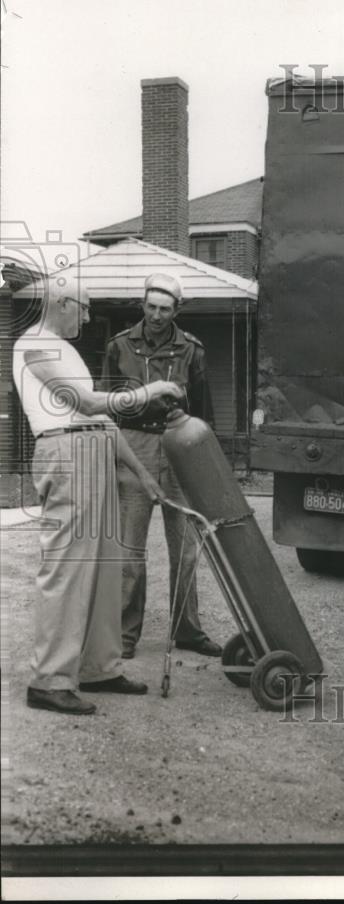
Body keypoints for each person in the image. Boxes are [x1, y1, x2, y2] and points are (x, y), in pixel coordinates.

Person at [13, 277, 183, 715]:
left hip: (94, 448)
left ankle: (97, 666)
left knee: (107, 564)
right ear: (61, 302)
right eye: (84, 308)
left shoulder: (66, 348)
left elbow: (102, 422)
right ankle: (49, 678)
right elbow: (86, 404)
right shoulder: (33, 343)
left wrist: (141, 473)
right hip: (66, 453)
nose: (88, 317)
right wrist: (149, 391)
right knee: (68, 567)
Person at [102, 273, 221, 659]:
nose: (156, 315)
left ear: (177, 310)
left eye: (164, 309)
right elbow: (105, 410)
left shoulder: (192, 350)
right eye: (150, 307)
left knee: (186, 550)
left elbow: (204, 413)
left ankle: (187, 630)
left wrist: (208, 463)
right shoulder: (118, 346)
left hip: (179, 447)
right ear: (143, 304)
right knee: (130, 550)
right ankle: (124, 634)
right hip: (133, 445)